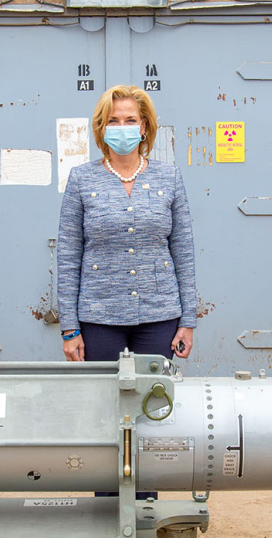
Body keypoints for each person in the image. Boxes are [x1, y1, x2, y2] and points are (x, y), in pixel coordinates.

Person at [57, 84, 197, 364]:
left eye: (130, 120)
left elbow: (183, 251)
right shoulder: (81, 179)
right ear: (102, 127)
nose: (122, 127)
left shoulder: (169, 177)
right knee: (104, 397)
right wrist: (70, 329)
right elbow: (68, 256)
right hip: (98, 317)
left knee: (153, 398)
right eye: (113, 120)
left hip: (160, 315)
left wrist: (188, 320)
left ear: (144, 126)